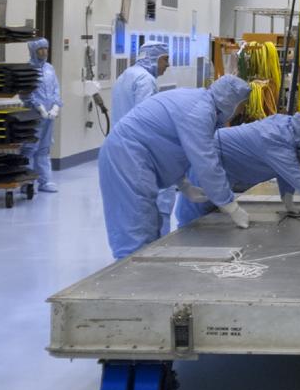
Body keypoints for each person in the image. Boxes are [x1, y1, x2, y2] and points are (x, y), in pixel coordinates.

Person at [98, 75, 252, 259]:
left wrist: (184, 184)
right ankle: (129, 280)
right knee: (135, 226)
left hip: (133, 155)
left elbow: (170, 145)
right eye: (242, 105)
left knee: (147, 222)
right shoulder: (199, 111)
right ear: (231, 101)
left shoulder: (201, 104)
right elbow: (206, 161)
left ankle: (140, 277)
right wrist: (230, 205)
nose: (241, 110)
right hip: (126, 156)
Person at [176, 113, 300, 227]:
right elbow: (299, 178)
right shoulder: (275, 141)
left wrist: (288, 201)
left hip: (224, 172)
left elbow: (283, 171)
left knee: (209, 218)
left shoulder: (287, 130)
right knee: (194, 224)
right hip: (206, 167)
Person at [110, 41, 174, 234]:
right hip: (140, 149)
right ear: (154, 58)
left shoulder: (126, 75)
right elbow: (146, 118)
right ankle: (160, 243)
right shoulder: (145, 80)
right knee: (163, 194)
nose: (168, 65)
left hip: (122, 147)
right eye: (165, 59)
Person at [22, 37, 62, 193]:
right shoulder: (27, 70)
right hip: (33, 115)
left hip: (49, 116)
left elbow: (55, 89)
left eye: (46, 48)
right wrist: (38, 107)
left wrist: (56, 106)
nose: (44, 52)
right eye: (41, 49)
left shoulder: (49, 68)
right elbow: (25, 93)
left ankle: (45, 181)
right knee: (30, 147)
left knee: (44, 148)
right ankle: (26, 183)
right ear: (33, 51)